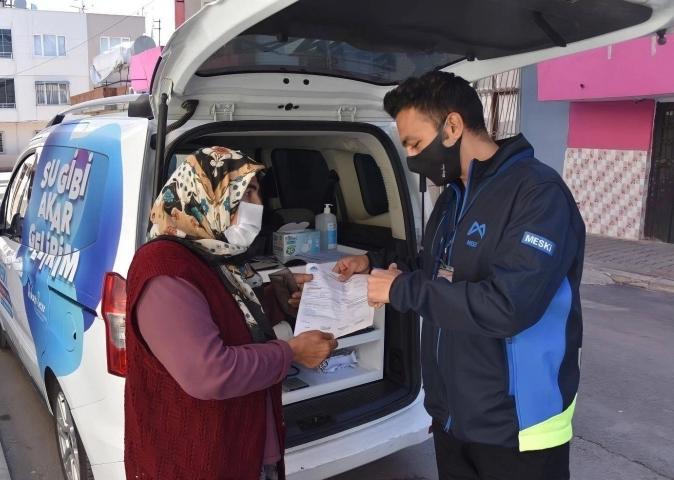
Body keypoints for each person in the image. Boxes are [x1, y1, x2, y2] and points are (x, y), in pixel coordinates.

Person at [334, 72, 585, 480]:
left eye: (415, 143)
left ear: (452, 126)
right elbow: (436, 267)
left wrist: (404, 289)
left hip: (519, 427)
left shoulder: (538, 193)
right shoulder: (453, 196)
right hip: (453, 416)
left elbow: (508, 305)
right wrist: (373, 262)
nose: (413, 157)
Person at [124, 146, 338, 480]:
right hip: (197, 462)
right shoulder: (165, 270)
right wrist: (291, 352)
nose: (258, 204)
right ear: (205, 194)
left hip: (243, 444)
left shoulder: (215, 255)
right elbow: (209, 372)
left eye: (257, 193)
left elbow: (227, 316)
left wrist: (278, 296)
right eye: (246, 192)